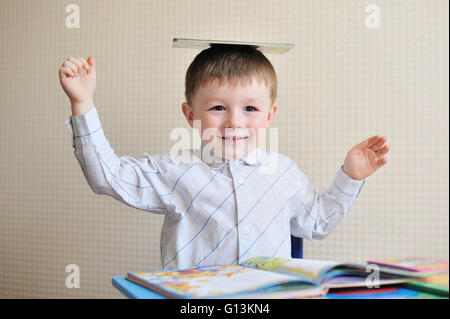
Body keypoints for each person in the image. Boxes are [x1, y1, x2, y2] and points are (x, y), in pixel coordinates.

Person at [59, 45, 389, 270]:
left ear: (270, 114)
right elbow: (107, 177)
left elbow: (317, 225)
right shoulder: (175, 170)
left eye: (250, 108)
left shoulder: (283, 173)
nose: (234, 122)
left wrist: (351, 176)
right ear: (190, 115)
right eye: (218, 108)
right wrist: (83, 104)